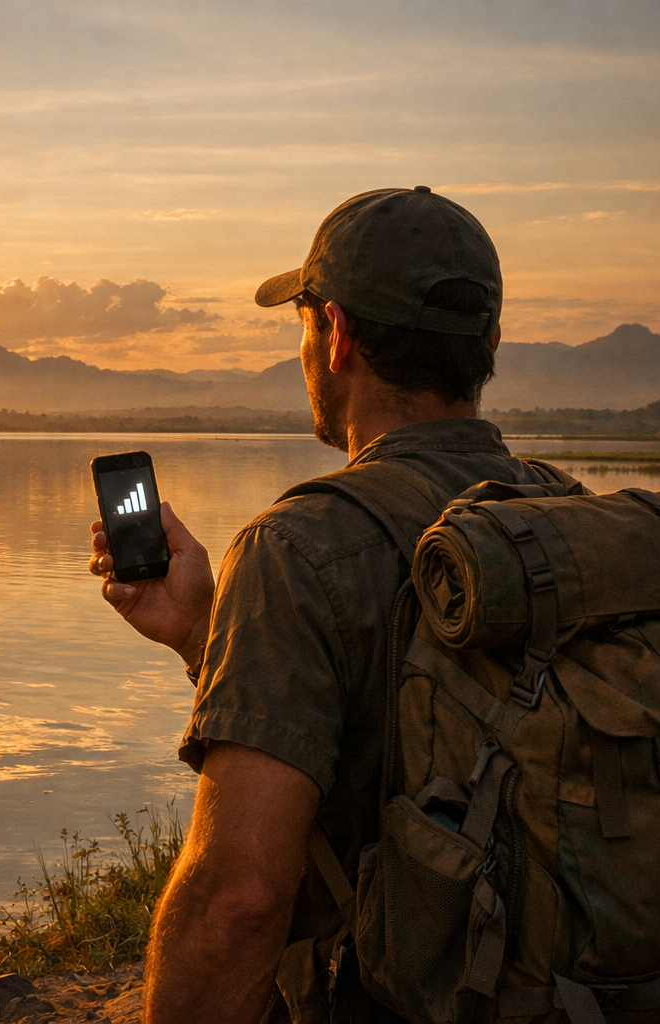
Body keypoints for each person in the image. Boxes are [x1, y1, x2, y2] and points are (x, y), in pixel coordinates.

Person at [88, 187, 568, 1024]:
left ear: (336, 333)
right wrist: (206, 633)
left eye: (304, 323)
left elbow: (238, 903)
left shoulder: (297, 548)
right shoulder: (569, 512)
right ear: (488, 343)